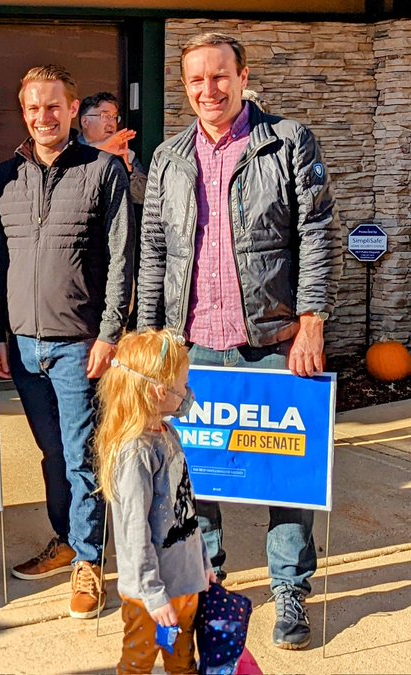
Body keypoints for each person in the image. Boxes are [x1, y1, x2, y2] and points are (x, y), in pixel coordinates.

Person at [137, 32, 338, 650]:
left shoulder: (286, 142)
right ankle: (213, 579)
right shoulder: (169, 158)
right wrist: (149, 337)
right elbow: (153, 248)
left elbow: (317, 230)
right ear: (185, 87)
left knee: (285, 478)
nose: (209, 90)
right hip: (191, 344)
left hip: (272, 339)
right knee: (197, 477)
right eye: (196, 80)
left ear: (242, 75)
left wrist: (312, 320)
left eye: (219, 76)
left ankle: (289, 593)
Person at [0, 65, 133, 619]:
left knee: (81, 457)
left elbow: (123, 259)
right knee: (52, 454)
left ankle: (89, 563)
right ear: (23, 113)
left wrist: (109, 333)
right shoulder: (6, 174)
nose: (42, 117)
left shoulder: (101, 170)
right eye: (32, 108)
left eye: (53, 107)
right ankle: (68, 540)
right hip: (22, 346)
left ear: (73, 111)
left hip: (79, 344)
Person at [94, 329, 217, 674]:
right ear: (159, 391)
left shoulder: (167, 432)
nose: (188, 391)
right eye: (183, 383)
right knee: (138, 663)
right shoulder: (135, 452)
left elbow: (186, 512)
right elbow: (135, 534)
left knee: (183, 662)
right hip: (151, 597)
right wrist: (153, 594)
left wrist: (202, 562)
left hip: (186, 582)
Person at [77, 92, 148, 204]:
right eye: (105, 116)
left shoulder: (127, 153)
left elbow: (142, 197)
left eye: (114, 117)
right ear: (85, 121)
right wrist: (101, 151)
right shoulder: (68, 150)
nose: (111, 123)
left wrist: (126, 167)